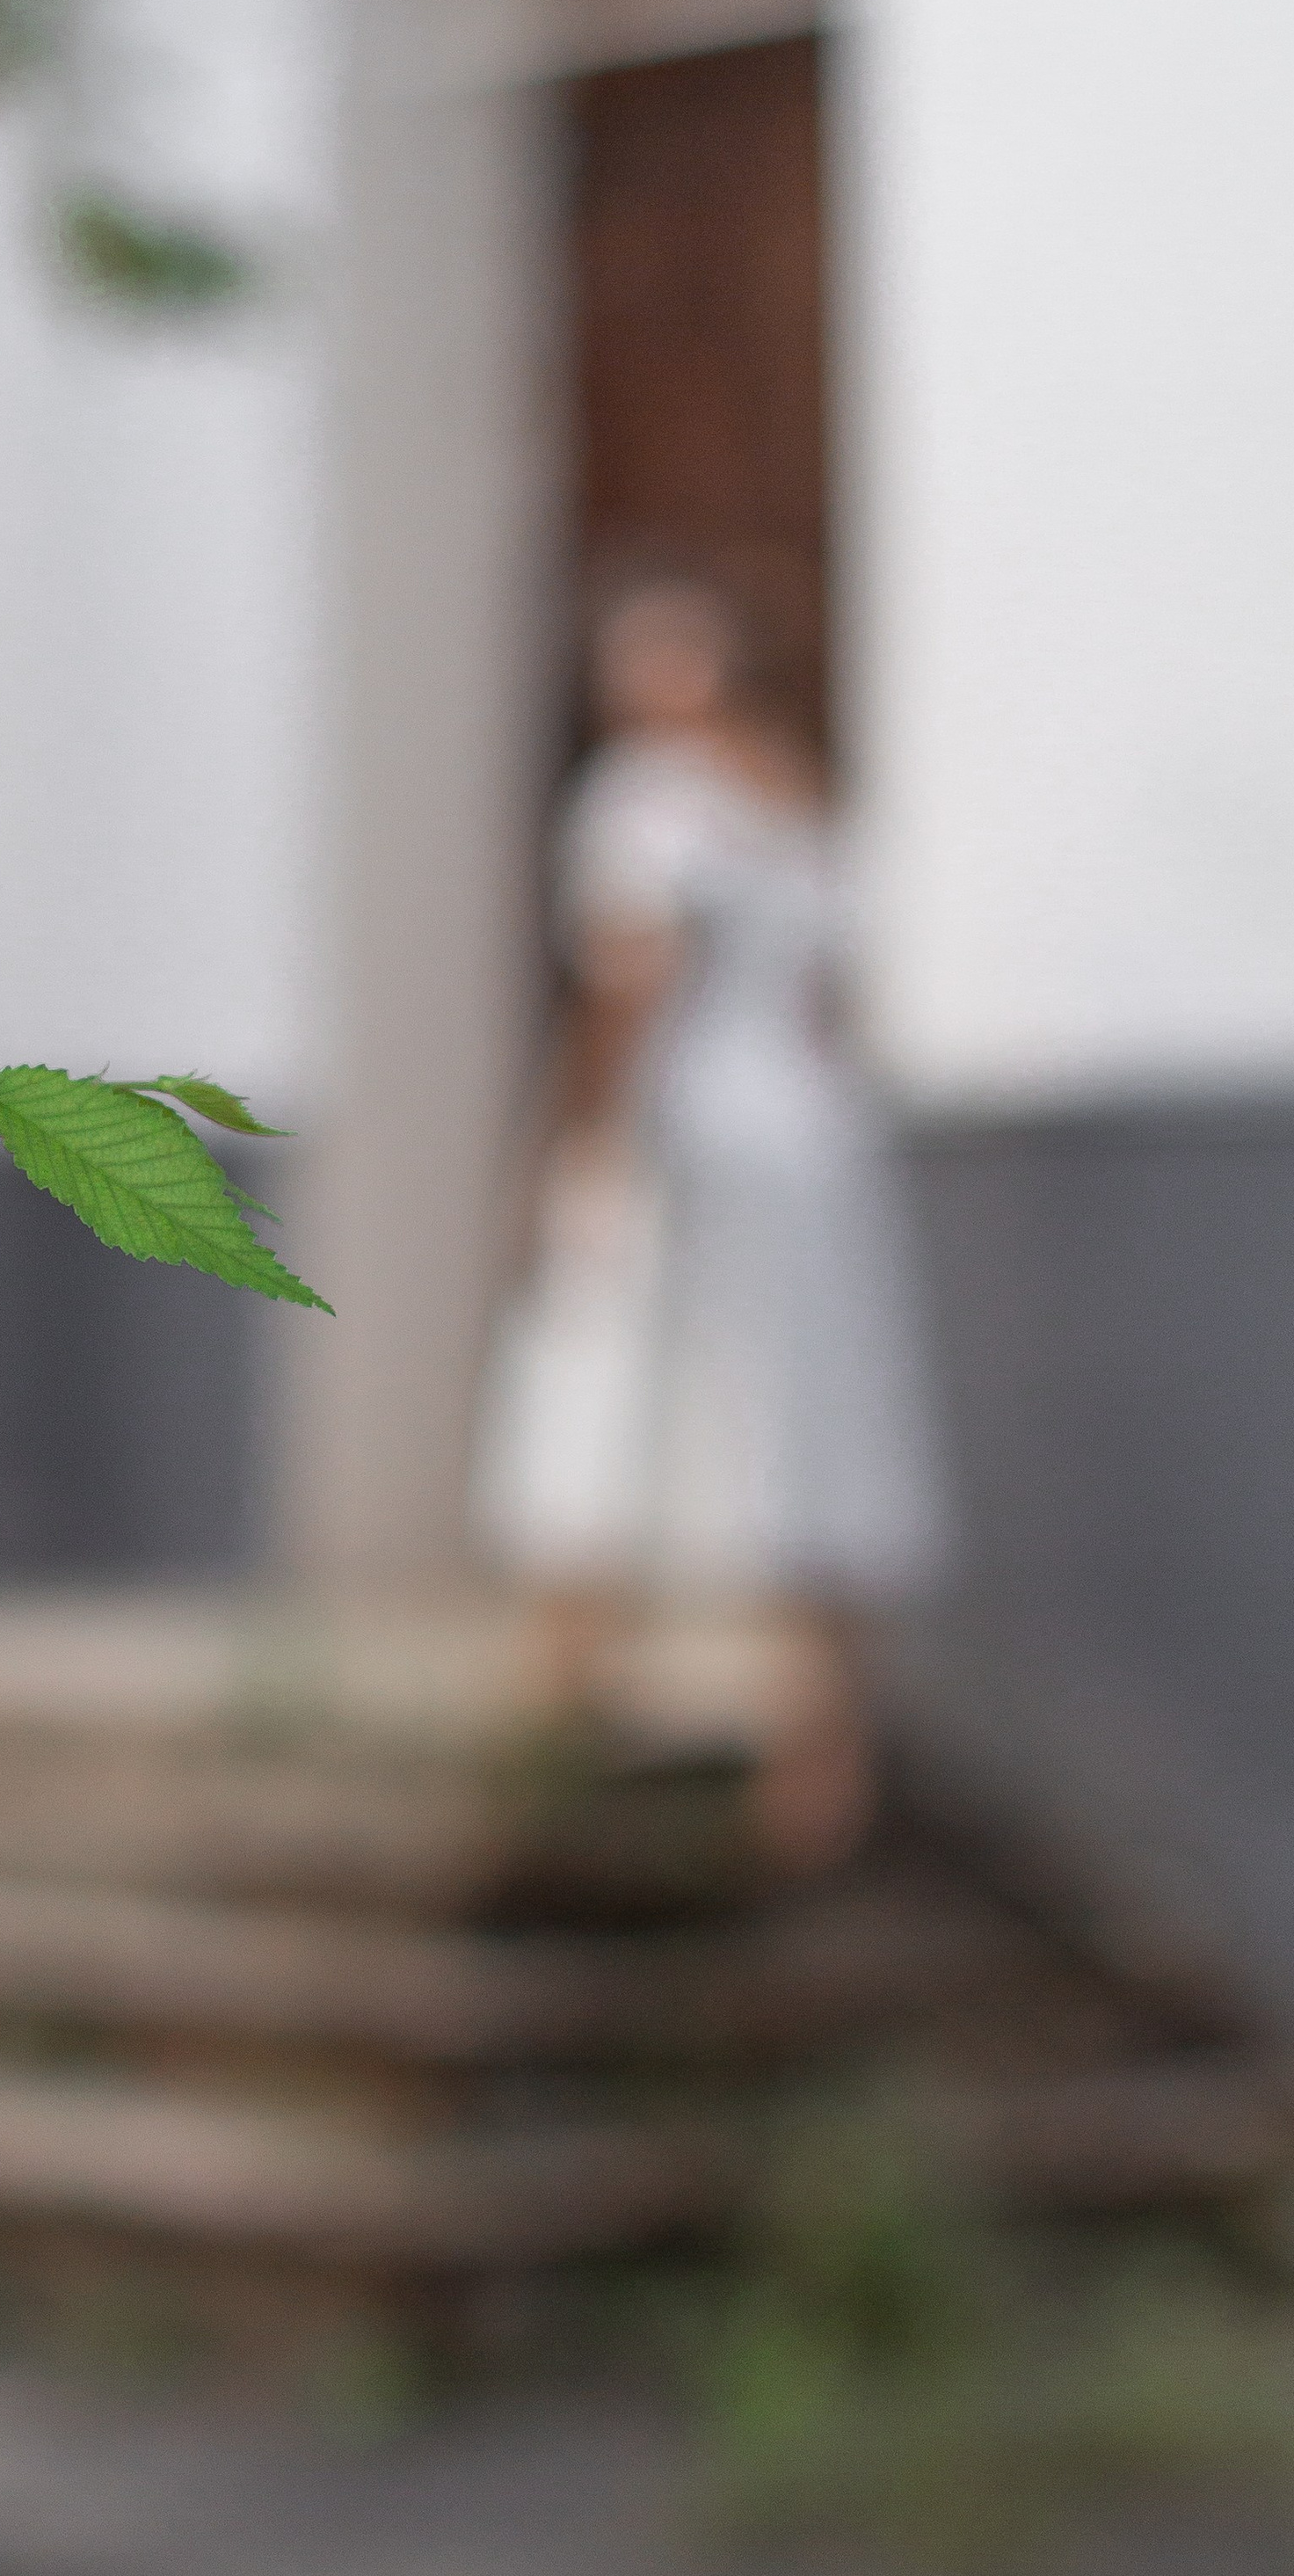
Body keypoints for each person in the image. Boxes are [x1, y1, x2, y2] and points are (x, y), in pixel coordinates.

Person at [474, 571, 946, 1864]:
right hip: (814, 1142)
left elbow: (631, 986)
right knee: (810, 1411)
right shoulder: (799, 797)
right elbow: (829, 997)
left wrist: (578, 1139)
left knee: (593, 1381)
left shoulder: (646, 801)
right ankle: (820, 1734)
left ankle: (566, 1698)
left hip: (683, 1133)